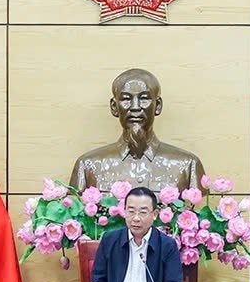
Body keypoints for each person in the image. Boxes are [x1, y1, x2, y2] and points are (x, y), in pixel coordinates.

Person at [69, 67, 208, 196]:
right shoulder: (88, 165)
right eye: (126, 99)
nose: (135, 107)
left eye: (144, 99)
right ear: (114, 107)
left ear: (158, 105)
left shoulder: (187, 165)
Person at [89, 187, 184, 282]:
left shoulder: (167, 245)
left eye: (143, 212)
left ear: (155, 214)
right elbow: (98, 281)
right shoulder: (110, 241)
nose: (136, 218)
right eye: (131, 211)